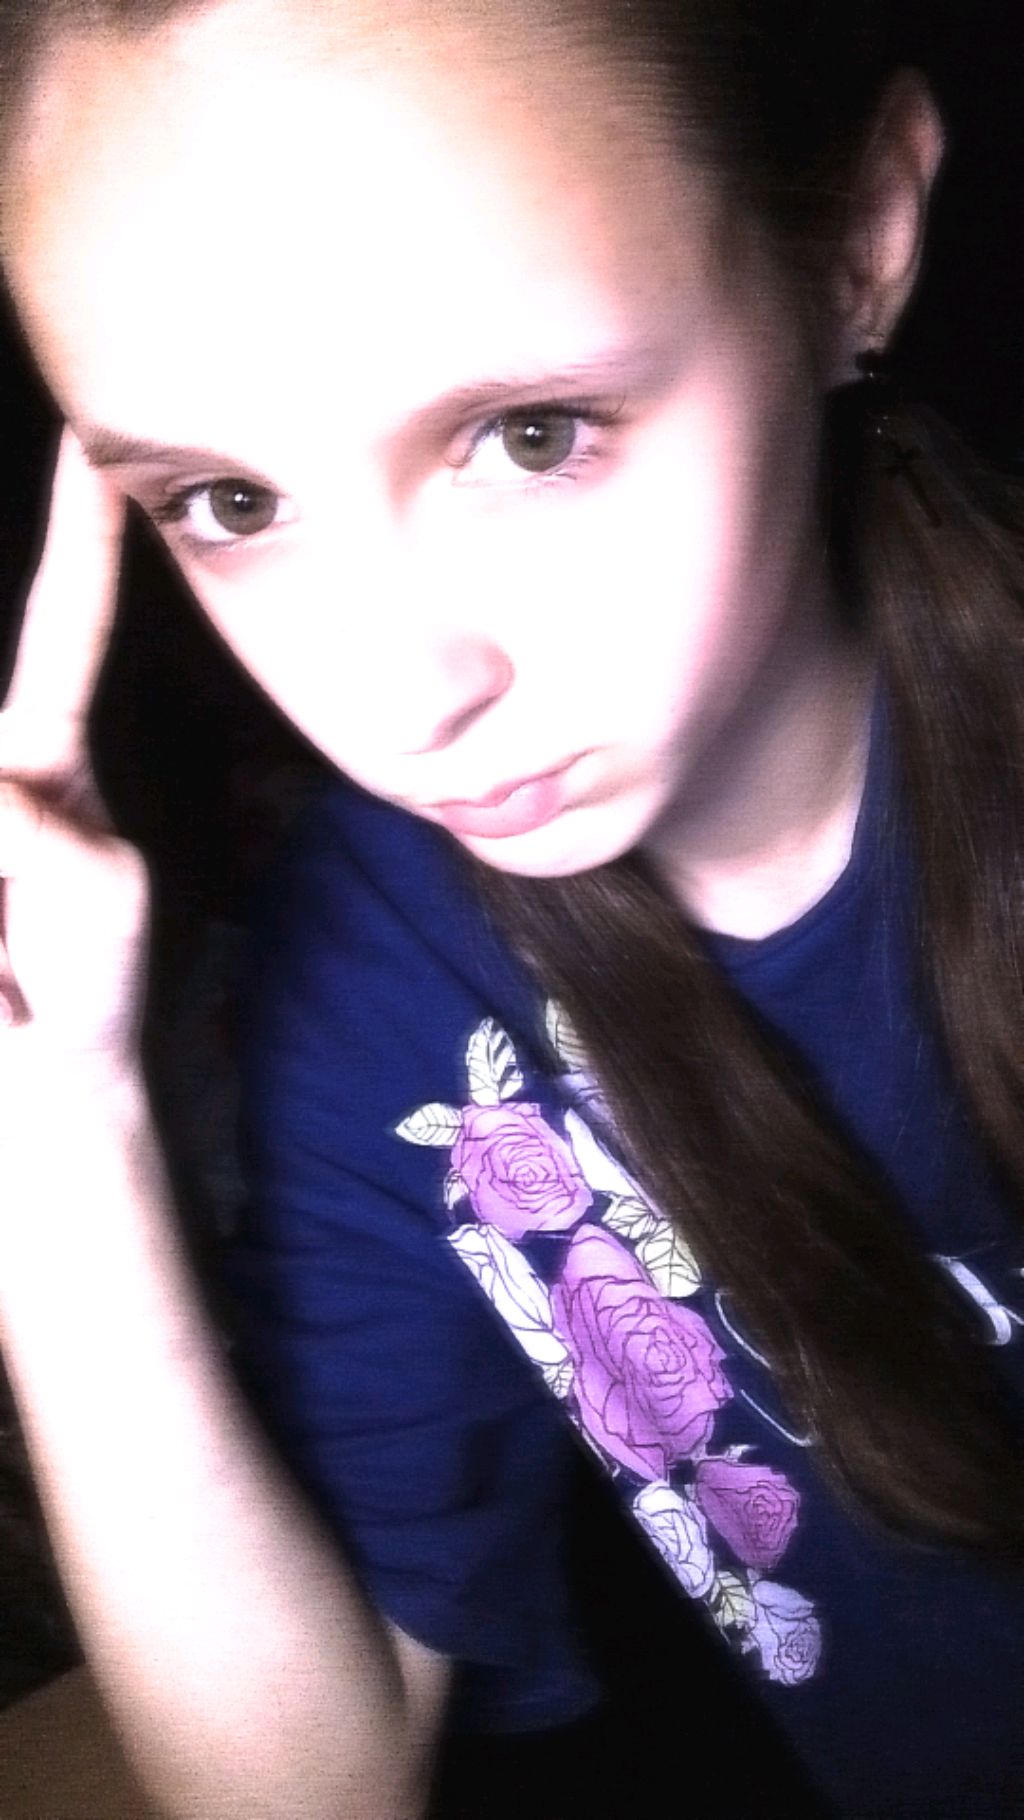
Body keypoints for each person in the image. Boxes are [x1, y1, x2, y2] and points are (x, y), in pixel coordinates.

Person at [0, 0, 1021, 1815]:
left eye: (533, 436)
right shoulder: (379, 972)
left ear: (857, 245)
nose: (387, 699)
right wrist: (47, 1125)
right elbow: (314, 1788)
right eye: (227, 500)